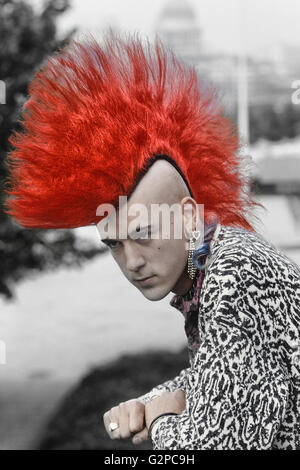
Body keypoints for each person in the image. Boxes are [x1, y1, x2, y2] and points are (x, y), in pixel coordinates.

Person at [3, 30, 300, 450]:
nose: (132, 262)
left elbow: (218, 444)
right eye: (114, 244)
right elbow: (219, 377)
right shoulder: (210, 266)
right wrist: (148, 403)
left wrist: (159, 423)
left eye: (142, 234)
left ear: (186, 215)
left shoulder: (234, 276)